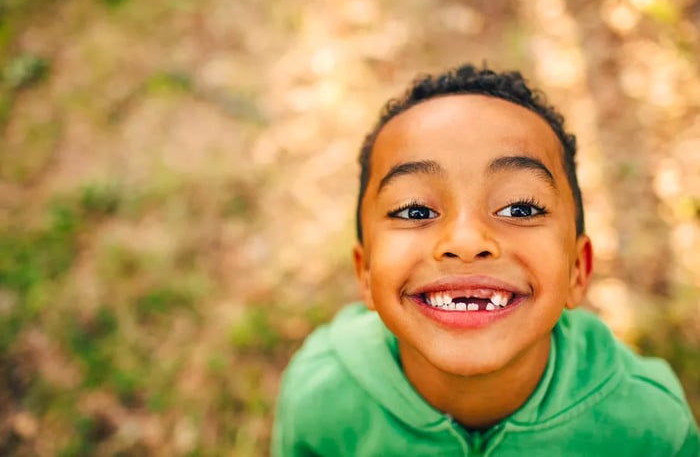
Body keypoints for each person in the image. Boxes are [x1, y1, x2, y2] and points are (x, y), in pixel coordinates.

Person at [271, 64, 700, 456]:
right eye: (416, 211)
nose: (466, 241)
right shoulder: (319, 400)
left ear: (577, 269)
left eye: (519, 208)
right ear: (364, 273)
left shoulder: (650, 427)